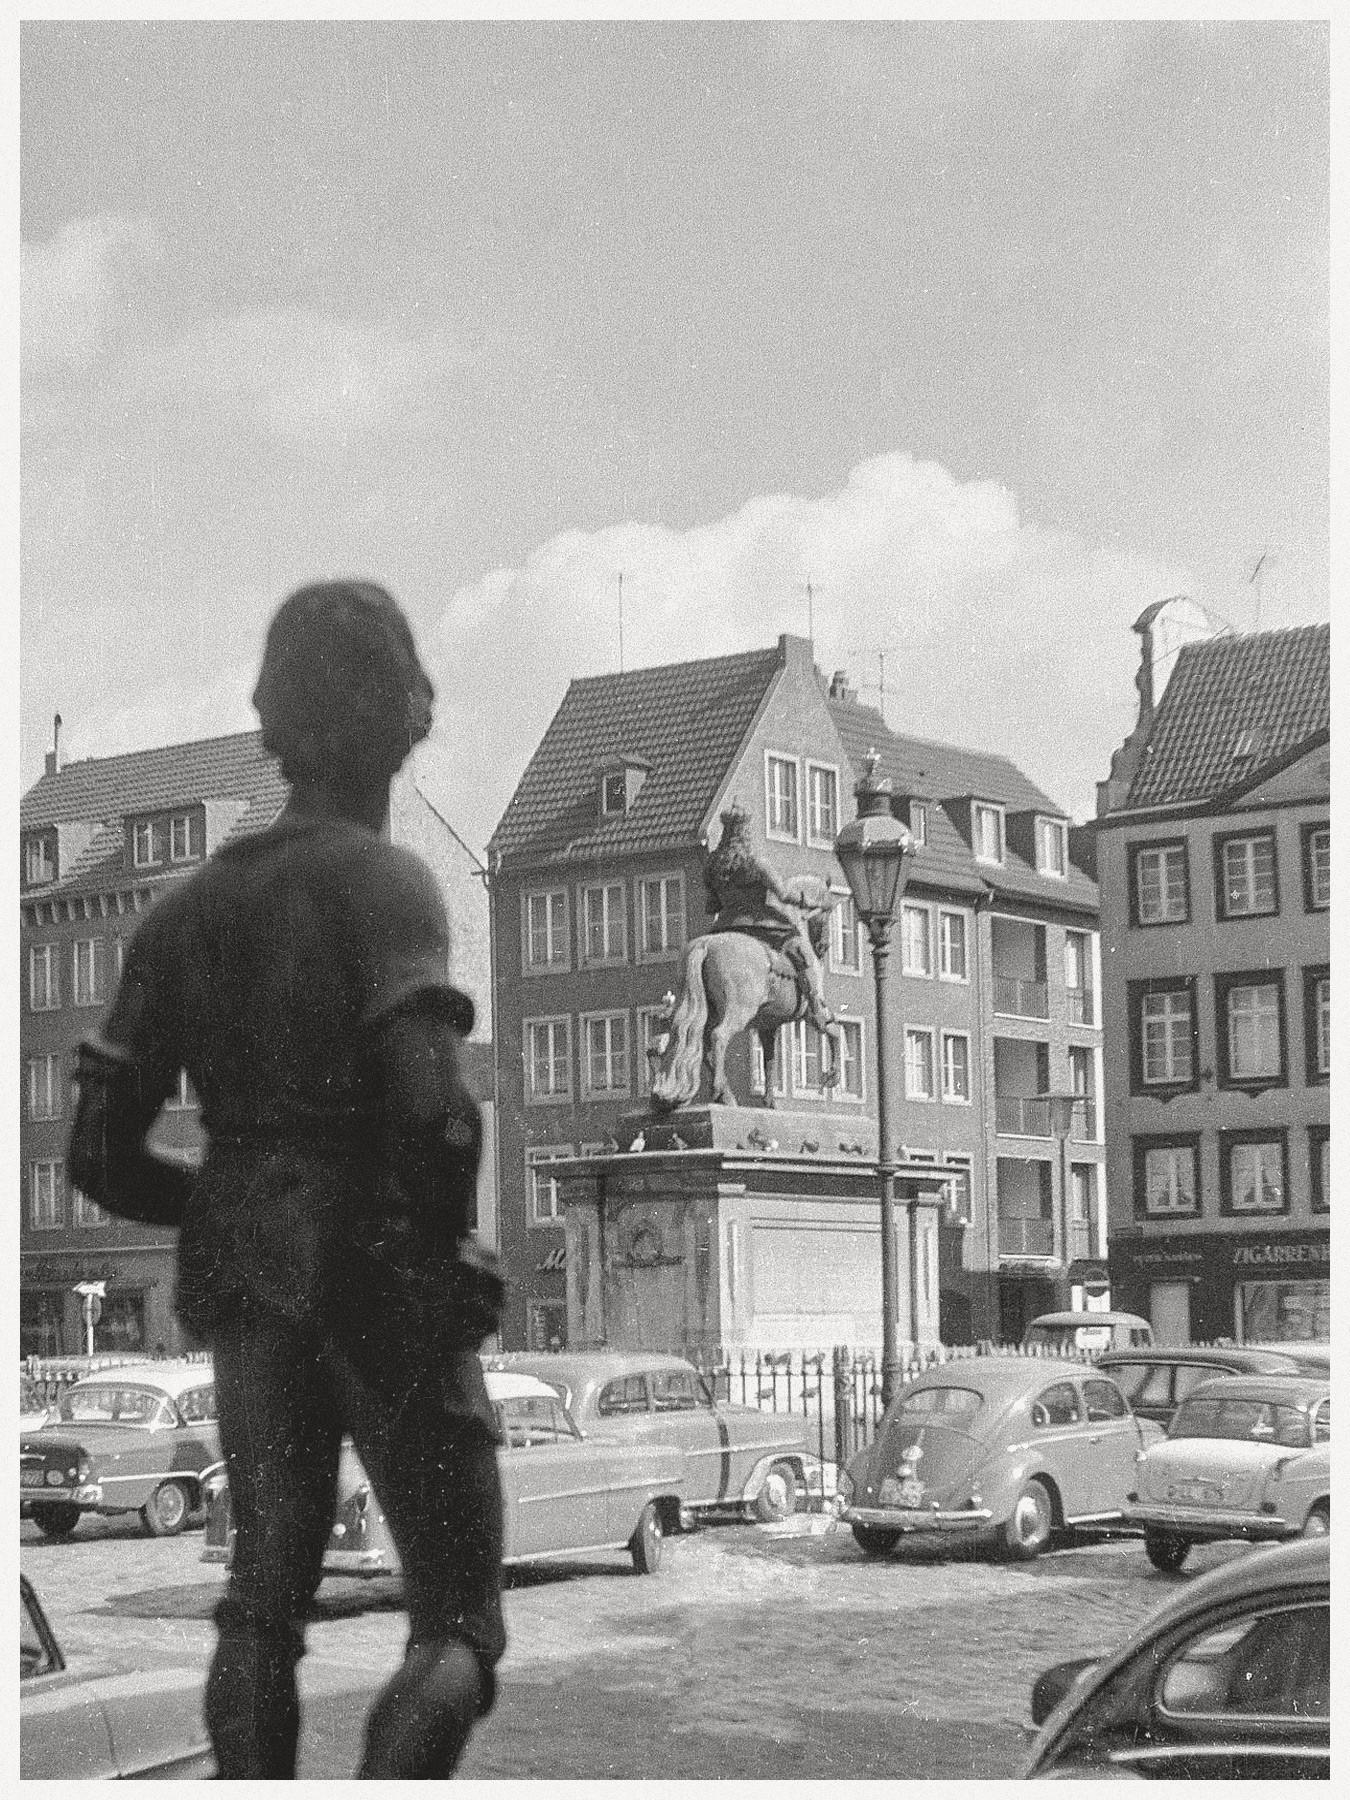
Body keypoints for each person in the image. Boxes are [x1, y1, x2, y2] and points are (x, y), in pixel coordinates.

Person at [67, 579, 505, 1780]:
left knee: (262, 1605)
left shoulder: (182, 914)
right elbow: (437, 1110)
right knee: (459, 1622)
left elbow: (98, 1154)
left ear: (274, 719)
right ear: (397, 719)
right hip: (383, 1269)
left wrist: (216, 1201)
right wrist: (454, 1248)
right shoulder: (386, 885)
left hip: (248, 1280)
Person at [703, 800, 833, 1033]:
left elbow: (711, 905)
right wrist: (811, 902)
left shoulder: (712, 864)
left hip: (723, 926)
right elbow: (783, 893)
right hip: (761, 925)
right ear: (745, 832)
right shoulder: (756, 863)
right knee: (801, 949)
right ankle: (816, 1006)